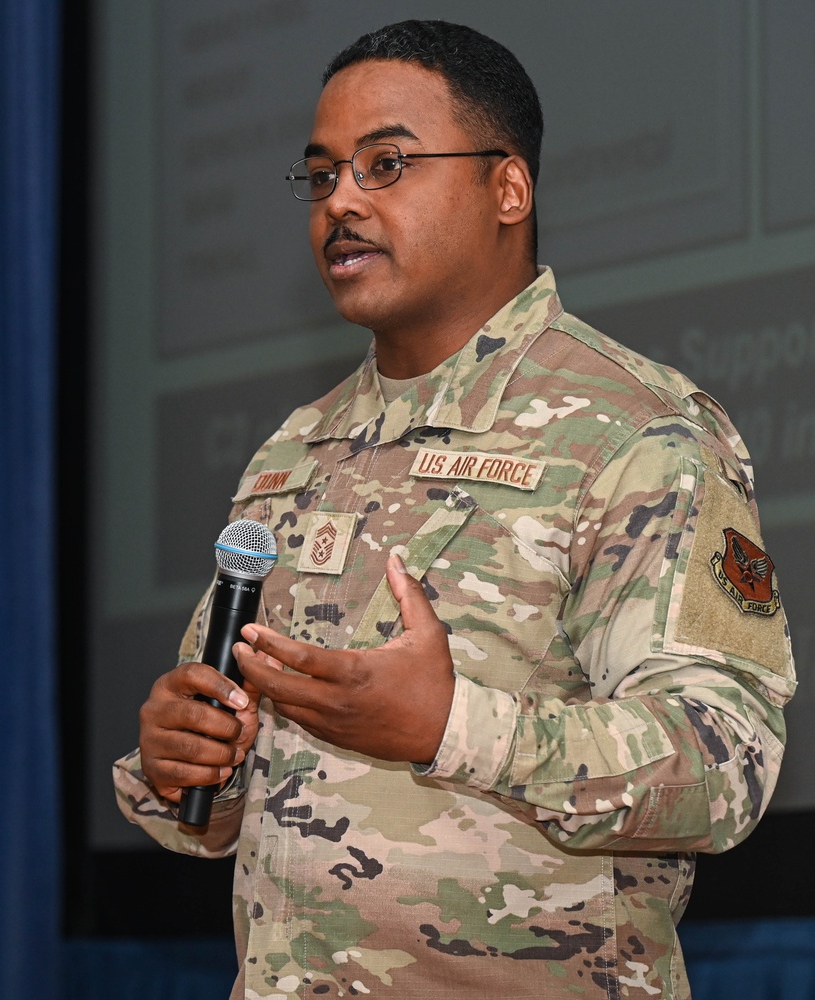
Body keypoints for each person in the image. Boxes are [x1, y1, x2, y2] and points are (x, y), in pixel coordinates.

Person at [114, 19, 794, 998]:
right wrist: (179, 758)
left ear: (507, 188)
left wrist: (450, 726)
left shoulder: (634, 431)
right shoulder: (291, 449)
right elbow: (218, 805)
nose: (341, 199)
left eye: (386, 163)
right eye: (322, 173)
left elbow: (726, 764)